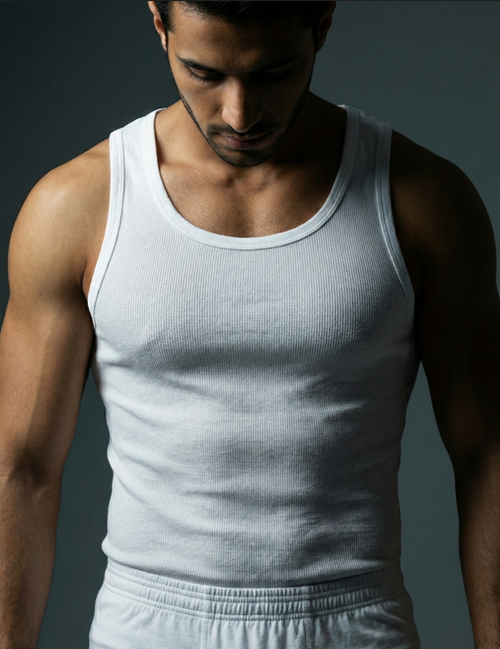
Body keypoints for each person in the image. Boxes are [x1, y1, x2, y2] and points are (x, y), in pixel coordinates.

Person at [0, 1, 498, 647]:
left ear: (321, 23)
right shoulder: (77, 206)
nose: (239, 114)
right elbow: (22, 468)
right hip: (148, 626)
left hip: (353, 623)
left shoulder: (422, 200)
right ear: (160, 24)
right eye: (204, 73)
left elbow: (487, 457)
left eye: (273, 73)